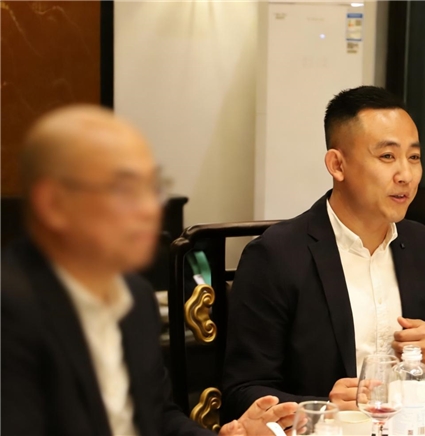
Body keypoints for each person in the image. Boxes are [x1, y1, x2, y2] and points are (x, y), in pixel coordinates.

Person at [1, 106, 297, 436]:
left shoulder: (134, 296)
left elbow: (158, 417)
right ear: (53, 204)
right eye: (125, 189)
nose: (149, 208)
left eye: (153, 187)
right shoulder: (11, 311)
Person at [222, 86, 425, 422]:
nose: (406, 175)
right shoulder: (275, 255)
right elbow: (242, 392)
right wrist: (323, 408)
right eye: (387, 157)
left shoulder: (419, 244)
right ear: (337, 164)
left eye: (413, 157)